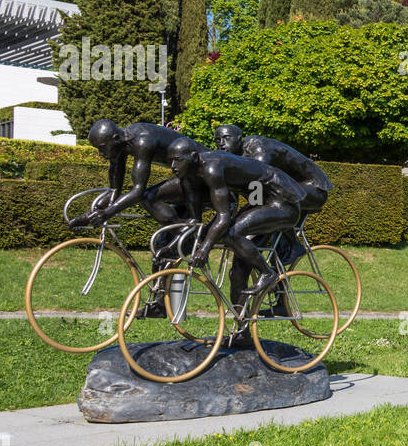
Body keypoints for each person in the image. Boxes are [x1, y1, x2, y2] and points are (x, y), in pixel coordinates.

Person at [167, 137, 307, 344]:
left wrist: (205, 248)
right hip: (259, 200)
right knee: (237, 272)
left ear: (193, 157)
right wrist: (175, 245)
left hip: (282, 202)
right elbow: (196, 221)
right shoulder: (190, 173)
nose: (173, 166)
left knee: (229, 233)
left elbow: (223, 217)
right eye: (171, 160)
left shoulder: (212, 168)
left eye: (178, 160)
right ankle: (242, 331)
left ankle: (268, 272)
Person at [69, 119, 209, 317]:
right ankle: (159, 306)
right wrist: (89, 214)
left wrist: (107, 213)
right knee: (161, 245)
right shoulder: (120, 146)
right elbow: (114, 192)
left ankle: (186, 231)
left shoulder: (142, 141)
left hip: (202, 178)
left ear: (115, 139)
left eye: (102, 148)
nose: (101, 154)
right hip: (187, 180)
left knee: (147, 197)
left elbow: (137, 191)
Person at [212, 124, 332, 265]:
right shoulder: (234, 158)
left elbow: (257, 184)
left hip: (313, 187)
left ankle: (294, 244)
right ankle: (276, 280)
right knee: (267, 209)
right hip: (288, 188)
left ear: (239, 139)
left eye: (226, 138)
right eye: (217, 140)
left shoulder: (259, 149)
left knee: (272, 198)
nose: (221, 144)